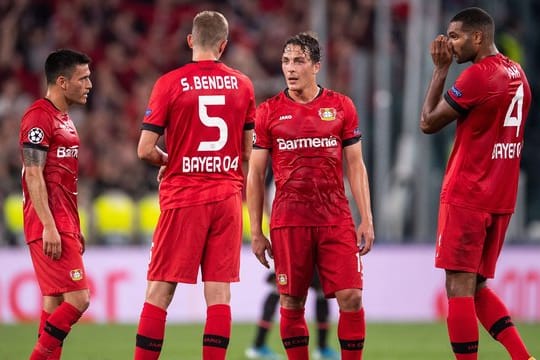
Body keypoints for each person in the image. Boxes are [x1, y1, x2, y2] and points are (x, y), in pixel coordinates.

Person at [134, 10, 256, 360]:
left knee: (159, 291)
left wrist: (169, 160)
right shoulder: (244, 85)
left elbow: (145, 149)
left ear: (190, 41)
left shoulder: (169, 83)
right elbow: (248, 150)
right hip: (228, 199)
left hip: (184, 197)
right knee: (218, 296)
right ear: (223, 45)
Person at [247, 32, 375, 360]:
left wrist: (366, 219)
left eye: (299, 61)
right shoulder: (268, 112)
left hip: (335, 218)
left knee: (351, 298)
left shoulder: (341, 106)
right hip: (289, 221)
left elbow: (356, 167)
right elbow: (256, 175)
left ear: (316, 66)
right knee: (291, 301)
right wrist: (257, 231)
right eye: (286, 61)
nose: (290, 68)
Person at [420, 7, 535, 360]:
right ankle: (523, 357)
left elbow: (427, 122)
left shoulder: (478, 76)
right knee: (478, 285)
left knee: (457, 287)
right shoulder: (518, 74)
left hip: (468, 194)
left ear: (478, 37)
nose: (450, 45)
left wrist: (439, 70)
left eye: (456, 37)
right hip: (501, 196)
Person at [19, 49, 92, 359]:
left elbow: (61, 181)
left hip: (64, 223)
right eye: (83, 78)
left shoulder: (65, 120)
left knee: (54, 303)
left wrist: (74, 228)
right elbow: (33, 174)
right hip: (49, 224)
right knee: (79, 300)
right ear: (62, 82)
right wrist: (50, 225)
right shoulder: (39, 116)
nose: (89, 84)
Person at [245, 272, 340, 360]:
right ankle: (258, 345)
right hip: (291, 258)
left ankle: (322, 347)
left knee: (321, 290)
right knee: (280, 288)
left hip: (315, 258)